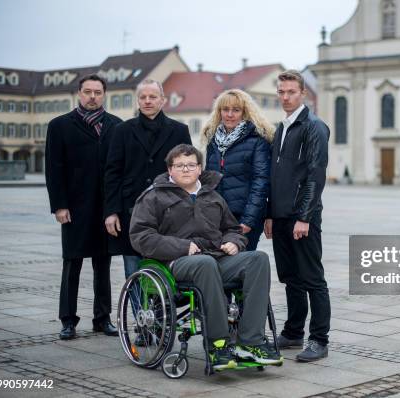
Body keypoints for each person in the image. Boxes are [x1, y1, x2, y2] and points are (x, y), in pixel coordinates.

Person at [129, 144, 282, 369]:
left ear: (200, 169)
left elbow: (232, 228)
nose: (186, 169)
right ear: (170, 169)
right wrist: (183, 246)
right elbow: (141, 236)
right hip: (173, 263)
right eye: (180, 165)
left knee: (257, 259)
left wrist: (234, 241)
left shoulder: (212, 196)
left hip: (214, 257)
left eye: (191, 165)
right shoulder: (153, 197)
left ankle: (250, 343)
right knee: (205, 263)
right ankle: (218, 344)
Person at [45, 74, 122, 340]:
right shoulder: (60, 126)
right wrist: (59, 206)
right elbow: (54, 169)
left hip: (106, 209)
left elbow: (119, 169)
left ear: (104, 95)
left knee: (104, 264)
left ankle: (103, 319)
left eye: (97, 92)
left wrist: (117, 207)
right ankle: (68, 321)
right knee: (72, 264)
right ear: (78, 93)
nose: (92, 97)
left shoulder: (116, 125)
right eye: (87, 92)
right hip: (75, 208)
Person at [264, 70, 331, 362]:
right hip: (280, 217)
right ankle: (293, 333)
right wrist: (270, 214)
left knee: (312, 279)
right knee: (291, 278)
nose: (285, 97)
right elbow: (275, 175)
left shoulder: (313, 127)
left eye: (291, 92)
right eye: (281, 92)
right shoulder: (283, 127)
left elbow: (315, 175)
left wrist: (304, 216)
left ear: (302, 93)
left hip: (302, 218)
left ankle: (319, 339)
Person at [104, 79, 191, 280]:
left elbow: (187, 171)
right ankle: (139, 313)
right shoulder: (122, 130)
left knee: (165, 268)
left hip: (169, 209)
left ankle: (161, 311)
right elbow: (112, 173)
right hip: (130, 210)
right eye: (143, 97)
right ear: (138, 101)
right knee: (133, 268)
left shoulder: (179, 130)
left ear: (163, 100)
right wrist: (111, 212)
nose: (147, 101)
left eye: (153, 97)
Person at [203, 89, 273, 250]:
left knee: (241, 265)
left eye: (236, 110)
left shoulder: (257, 140)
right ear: (219, 112)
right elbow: (208, 180)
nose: (230, 114)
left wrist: (248, 220)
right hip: (218, 217)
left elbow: (261, 182)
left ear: (245, 112)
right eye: (225, 110)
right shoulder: (213, 140)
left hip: (244, 216)